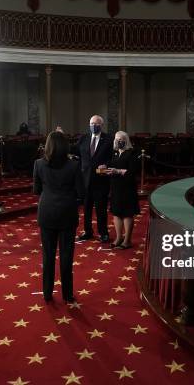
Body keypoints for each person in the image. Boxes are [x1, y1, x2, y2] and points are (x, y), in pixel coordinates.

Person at [33, 131, 84, 304]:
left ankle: (47, 293)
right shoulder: (74, 166)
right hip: (67, 213)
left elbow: (36, 190)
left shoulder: (38, 164)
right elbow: (81, 193)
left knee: (47, 256)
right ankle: (67, 295)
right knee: (66, 256)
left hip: (46, 212)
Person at [73, 115, 114, 243]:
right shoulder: (83, 138)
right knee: (86, 208)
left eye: (96, 124)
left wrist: (107, 165)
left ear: (101, 125)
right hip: (85, 180)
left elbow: (113, 157)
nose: (93, 126)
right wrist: (61, 138)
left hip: (101, 179)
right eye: (91, 123)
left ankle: (103, 233)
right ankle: (88, 231)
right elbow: (74, 150)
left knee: (101, 208)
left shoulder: (108, 139)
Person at [102, 131, 140, 249]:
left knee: (127, 213)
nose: (119, 141)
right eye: (117, 139)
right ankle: (119, 238)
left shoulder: (132, 153)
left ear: (126, 140)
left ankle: (127, 240)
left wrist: (118, 171)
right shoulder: (115, 152)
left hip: (127, 187)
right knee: (116, 212)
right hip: (115, 187)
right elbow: (111, 164)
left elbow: (133, 172)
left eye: (122, 139)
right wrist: (104, 167)